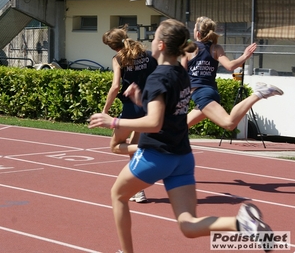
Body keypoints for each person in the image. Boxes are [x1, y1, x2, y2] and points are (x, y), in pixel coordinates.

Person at [89, 19, 272, 253]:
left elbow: (154, 123)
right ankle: (240, 223)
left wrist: (112, 120)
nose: (151, 41)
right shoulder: (181, 74)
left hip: (156, 155)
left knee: (118, 196)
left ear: (162, 45)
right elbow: (167, 109)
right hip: (182, 157)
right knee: (188, 225)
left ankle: (126, 252)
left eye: (154, 37)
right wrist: (141, 100)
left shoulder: (158, 77)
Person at [180, 16, 283, 130]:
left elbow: (181, 75)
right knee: (181, 127)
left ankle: (259, 93)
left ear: (198, 33)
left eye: (194, 28)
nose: (193, 31)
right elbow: (230, 66)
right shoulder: (216, 48)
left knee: (229, 123)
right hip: (210, 92)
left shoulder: (189, 49)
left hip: (201, 94)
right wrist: (244, 56)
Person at [101, 24, 158, 203]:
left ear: (114, 47)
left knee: (116, 145)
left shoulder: (118, 59)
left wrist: (105, 111)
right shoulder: (148, 56)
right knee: (133, 148)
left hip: (131, 108)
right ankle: (138, 190)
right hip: (147, 104)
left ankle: (150, 151)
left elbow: (116, 86)